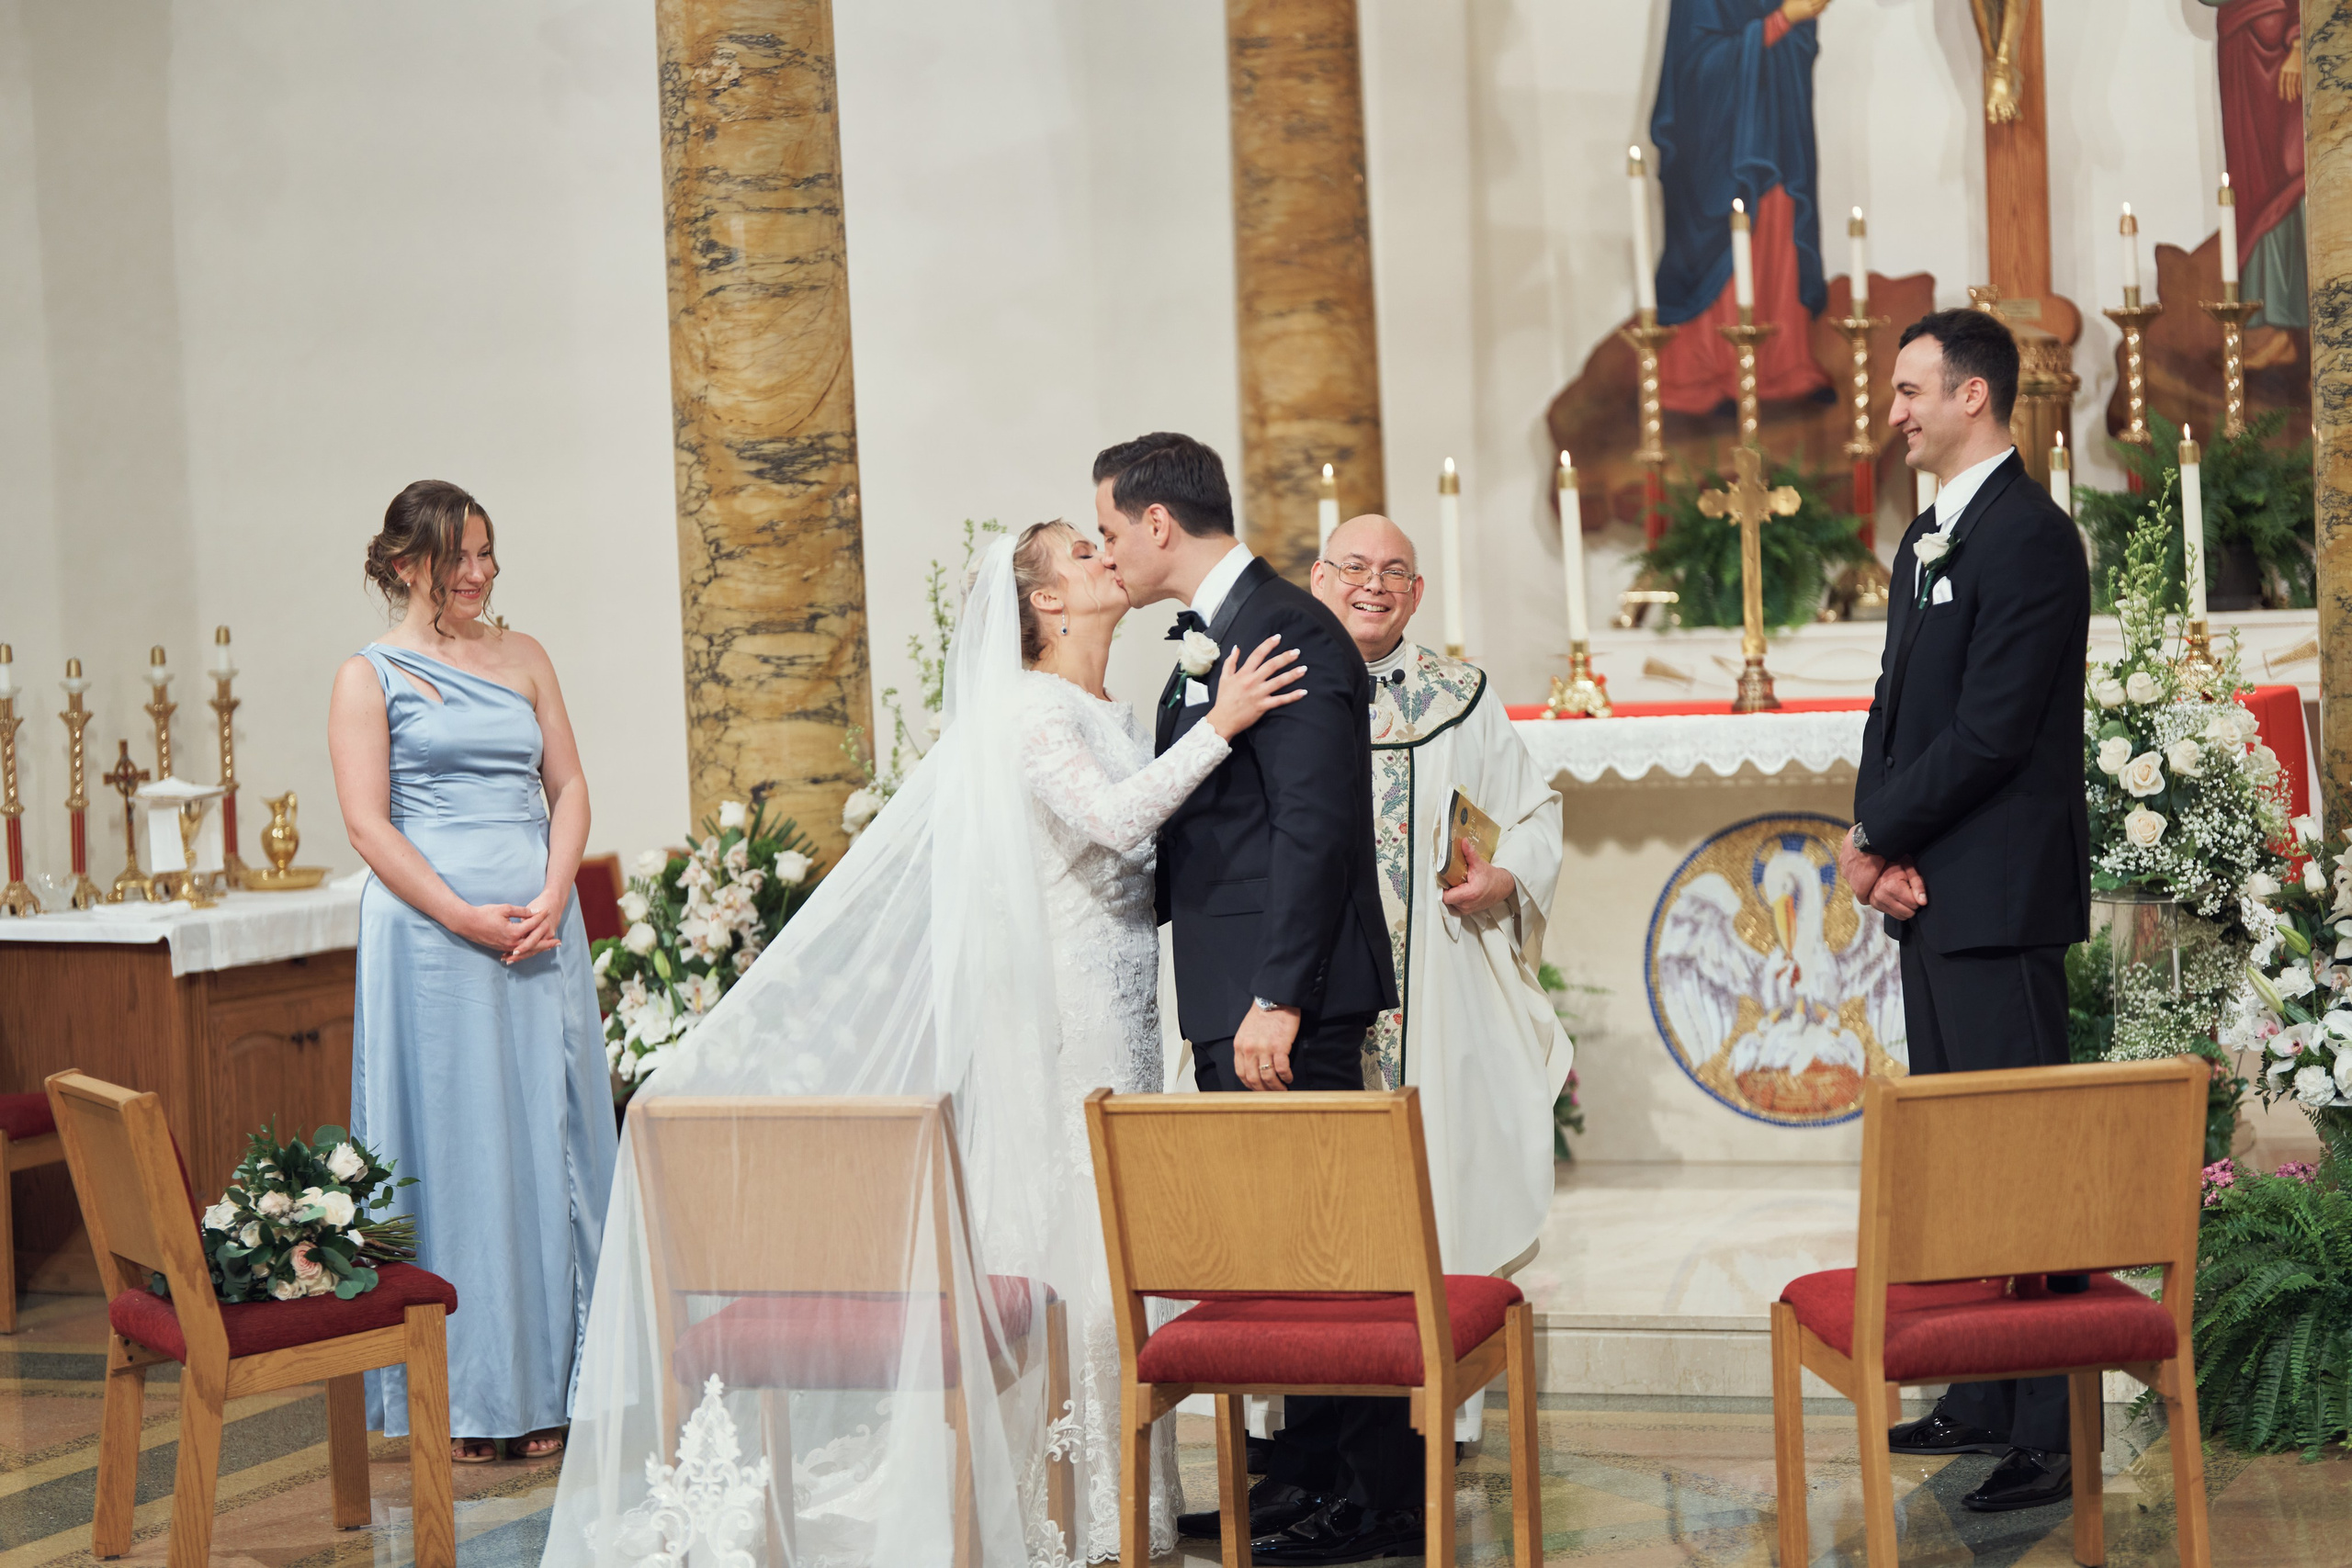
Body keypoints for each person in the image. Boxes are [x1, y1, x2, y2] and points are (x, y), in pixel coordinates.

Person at [543, 525, 1304, 1565]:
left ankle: (1126, 1498)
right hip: (1061, 1010)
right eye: (1083, 552)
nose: (1106, 556)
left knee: (1119, 1234)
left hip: (1123, 1000)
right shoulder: (1028, 712)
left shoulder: (1106, 708)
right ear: (1046, 602)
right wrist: (1221, 725)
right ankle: (1056, 1501)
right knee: (1070, 1227)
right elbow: (1116, 819)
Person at [1094, 434, 1414, 1566]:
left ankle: (1380, 1499)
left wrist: (1278, 995)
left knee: (1330, 1248)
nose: (1107, 552)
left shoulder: (1293, 627)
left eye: (1111, 530)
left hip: (1287, 997)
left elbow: (1317, 828)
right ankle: (1310, 1474)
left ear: (1159, 523)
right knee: (1282, 1249)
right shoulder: (1218, 633)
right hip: (1234, 985)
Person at [1836, 309, 2091, 1513]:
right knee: (1961, 1163)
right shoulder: (1925, 535)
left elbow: (1992, 731)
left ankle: (2051, 1424)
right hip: (1933, 891)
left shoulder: (2031, 538)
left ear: (1972, 395)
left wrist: (1876, 839)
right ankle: (1984, 1390)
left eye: (1909, 390)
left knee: (2027, 1163)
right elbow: (1895, 708)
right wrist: (1872, 840)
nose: (1892, 411)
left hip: (1998, 895)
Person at [328, 480, 618, 1463]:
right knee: (457, 1149)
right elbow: (368, 824)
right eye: (459, 555)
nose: (479, 572)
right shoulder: (367, 676)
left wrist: (555, 888)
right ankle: (459, 1393)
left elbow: (568, 784)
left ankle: (556, 1383)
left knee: (545, 1140)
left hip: (539, 930)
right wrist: (458, 913)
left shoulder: (525, 654)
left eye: (487, 552)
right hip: (431, 942)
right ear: (405, 563)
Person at [1307, 513, 1575, 1447]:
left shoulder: (1458, 697)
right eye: (1353, 566)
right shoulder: (1276, 681)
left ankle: (1432, 1415)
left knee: (1436, 1177)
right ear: (1318, 579)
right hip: (1308, 995)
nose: (1373, 584)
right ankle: (1309, 1420)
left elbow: (1535, 815)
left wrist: (1504, 876)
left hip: (1436, 989)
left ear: (1417, 594)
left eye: (1394, 572)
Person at [1649, 0, 1836, 413]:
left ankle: (1782, 367)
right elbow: (1695, 69)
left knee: (1779, 230)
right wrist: (1780, 21)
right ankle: (1705, 374)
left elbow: (1799, 46)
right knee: (1724, 239)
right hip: (1717, 154)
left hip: (1778, 136)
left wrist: (1798, 23)